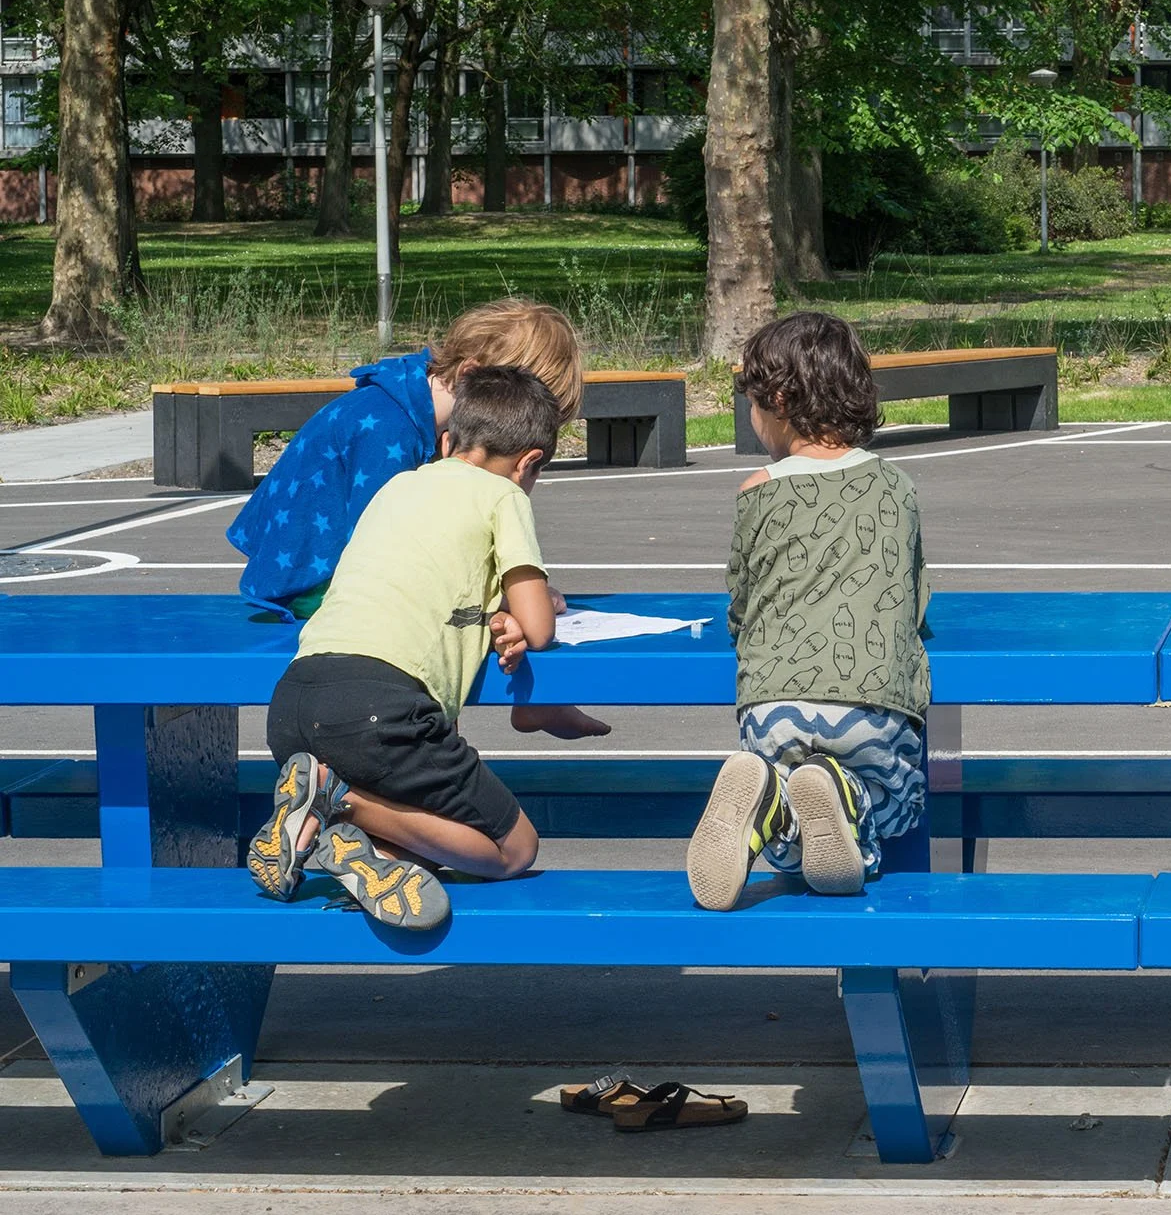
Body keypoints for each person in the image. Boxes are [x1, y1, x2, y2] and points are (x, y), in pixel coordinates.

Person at [247, 366, 567, 930]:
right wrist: (541, 604)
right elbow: (538, 629)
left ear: (446, 442)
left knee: (422, 840)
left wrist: (493, 608)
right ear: (529, 463)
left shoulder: (399, 485)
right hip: (382, 713)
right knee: (514, 849)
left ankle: (341, 840)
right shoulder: (502, 495)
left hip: (294, 703)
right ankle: (336, 802)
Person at [226, 296, 605, 740]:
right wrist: (506, 600)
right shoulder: (389, 429)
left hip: (341, 569)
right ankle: (440, 746)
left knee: (488, 611)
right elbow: (387, 558)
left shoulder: (426, 417)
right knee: (449, 621)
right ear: (469, 376)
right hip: (314, 583)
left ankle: (528, 705)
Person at [687, 312, 931, 910]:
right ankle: (846, 797)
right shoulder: (896, 484)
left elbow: (741, 599)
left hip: (772, 702)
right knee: (897, 803)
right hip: (873, 698)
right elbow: (915, 595)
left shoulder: (757, 489)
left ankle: (770, 800)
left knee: (794, 822)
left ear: (777, 398)